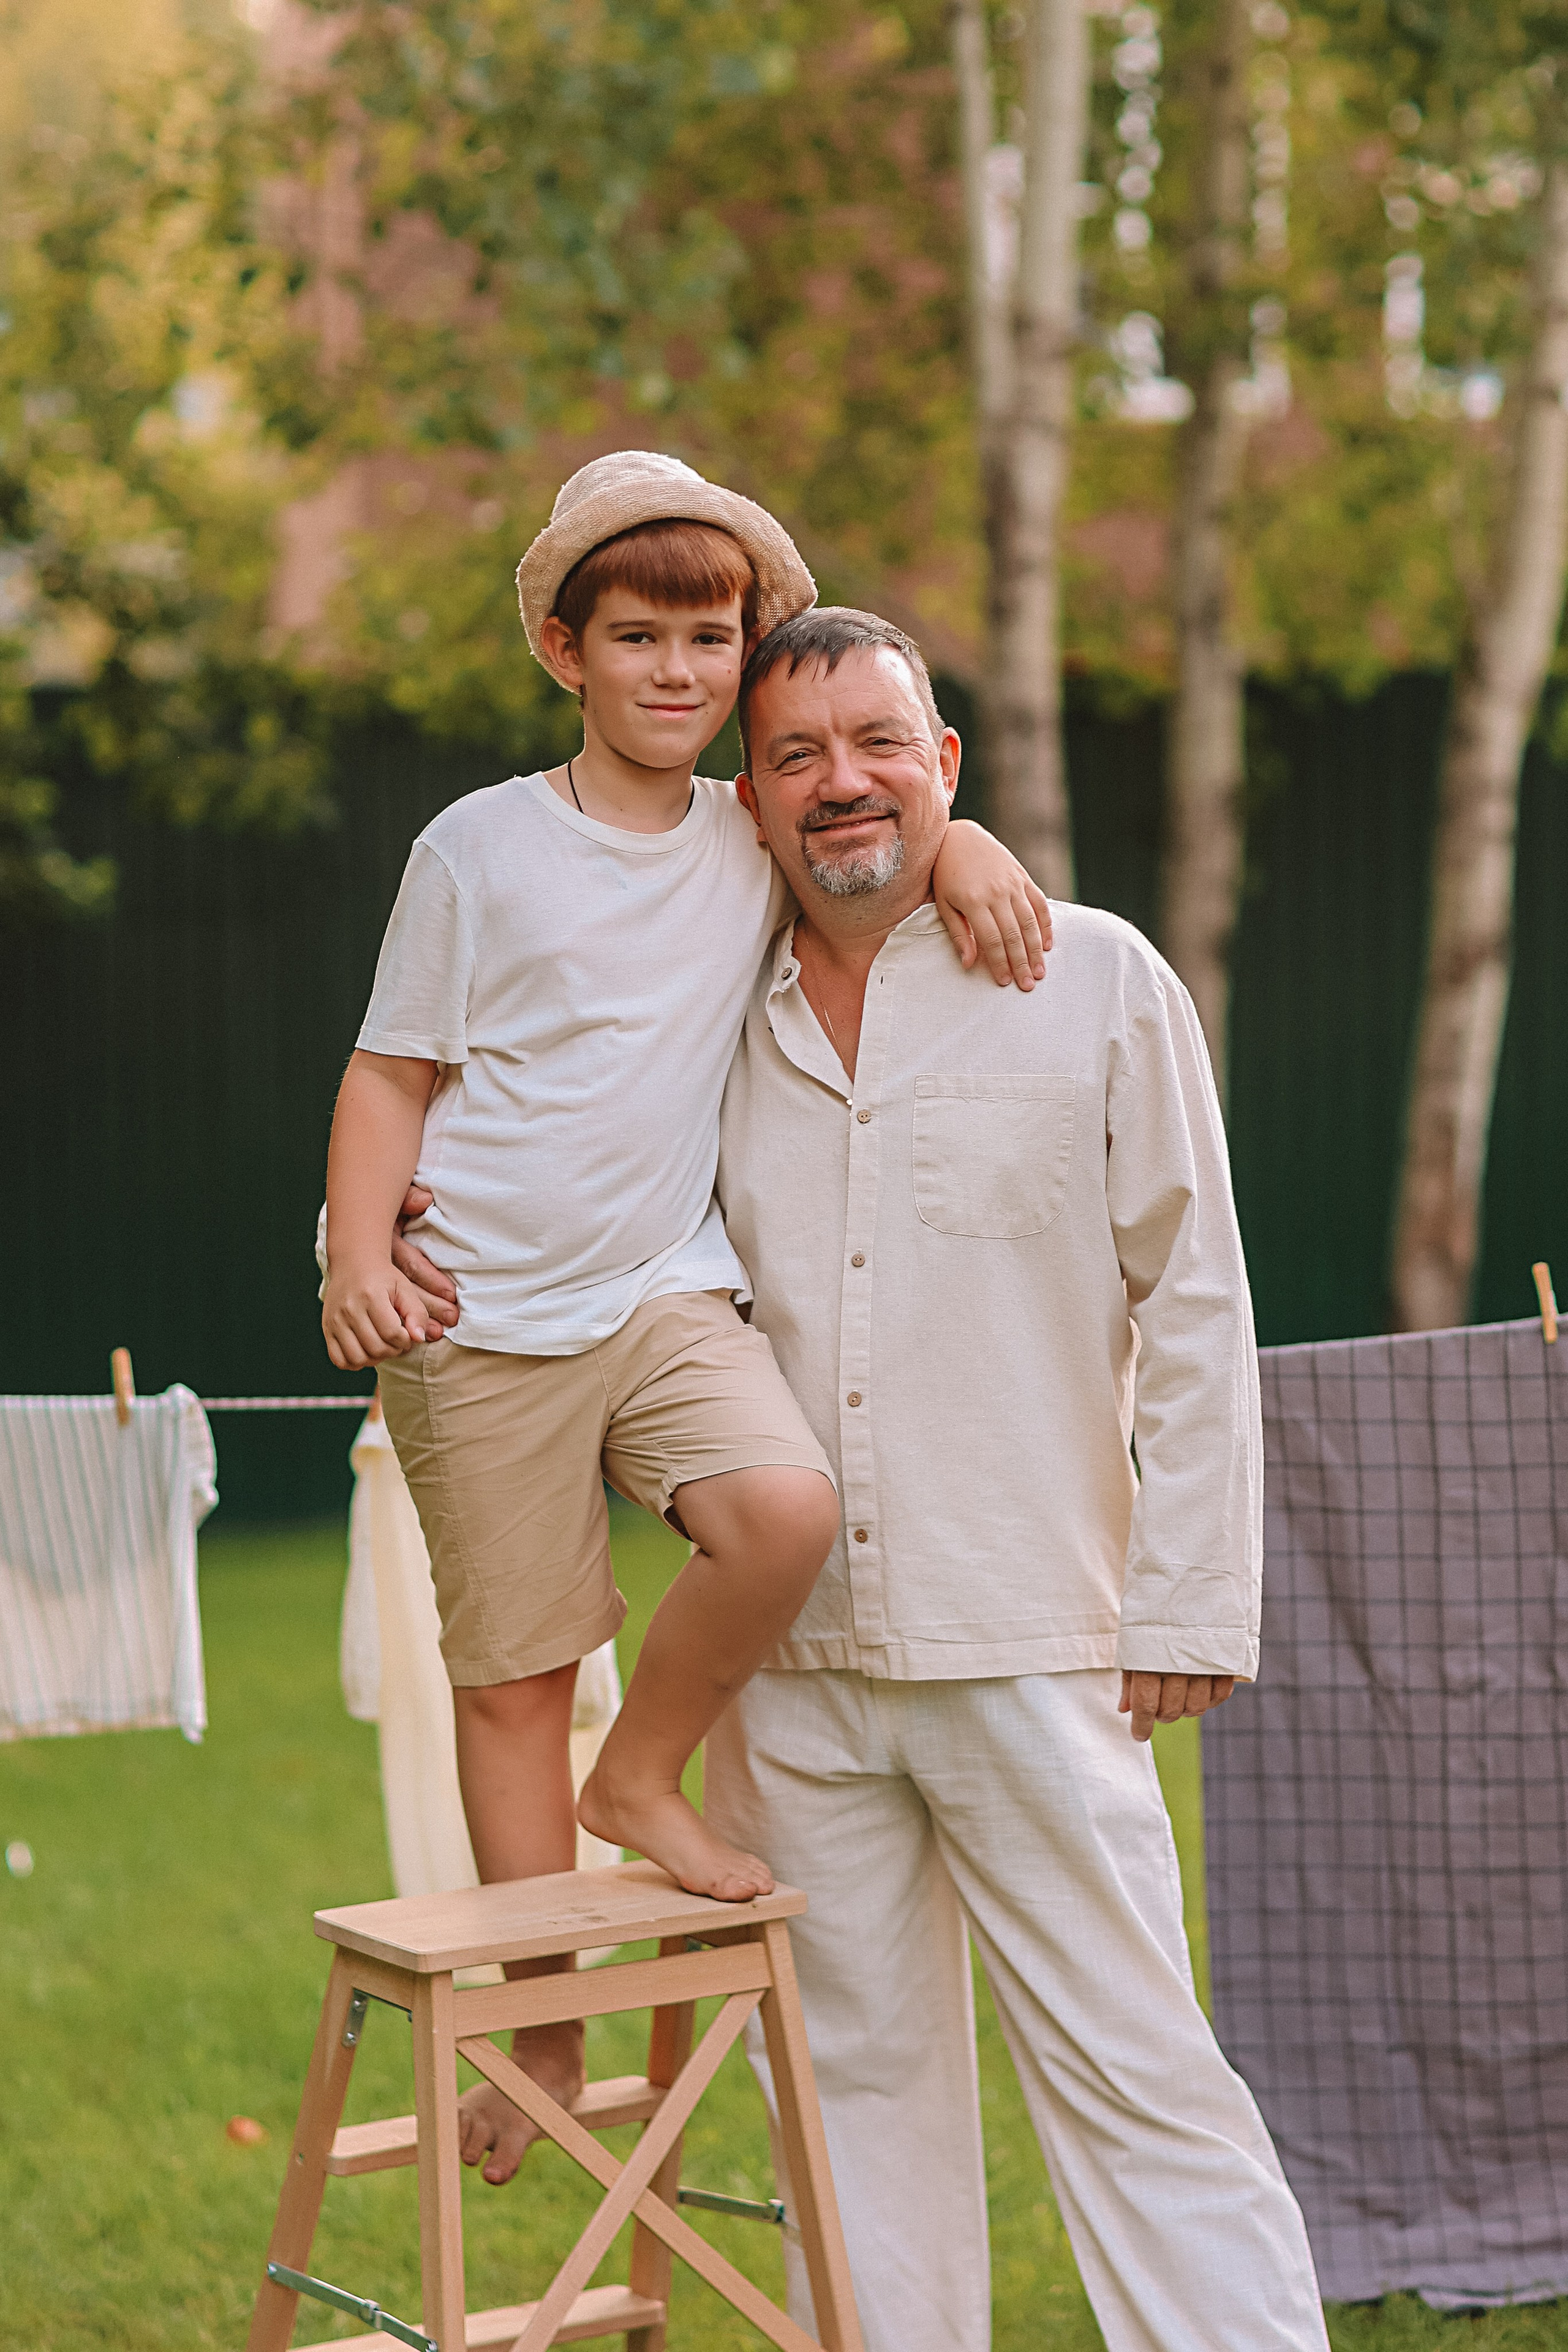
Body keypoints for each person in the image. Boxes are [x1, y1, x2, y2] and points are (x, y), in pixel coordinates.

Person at [318, 453, 1052, 2185]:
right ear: (565, 653)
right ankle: (546, 2019)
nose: (676, 670)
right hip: (474, 1311)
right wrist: (360, 1251)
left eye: (711, 638)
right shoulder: (479, 847)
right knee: (512, 1677)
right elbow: (390, 1065)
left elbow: (880, 827)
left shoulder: (751, 831)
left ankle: (639, 1777)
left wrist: (977, 855)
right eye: (635, 636)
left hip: (662, 1289)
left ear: (746, 651)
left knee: (785, 1511)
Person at [693, 606, 1330, 2352]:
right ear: (746, 796)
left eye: (883, 745)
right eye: (799, 756)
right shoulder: (702, 1017)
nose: (845, 785)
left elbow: (1198, 1304)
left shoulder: (1098, 980)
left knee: (1143, 2089)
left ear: (947, 764)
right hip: (791, 1674)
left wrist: (1193, 1593)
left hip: (1038, 1642)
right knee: (848, 2116)